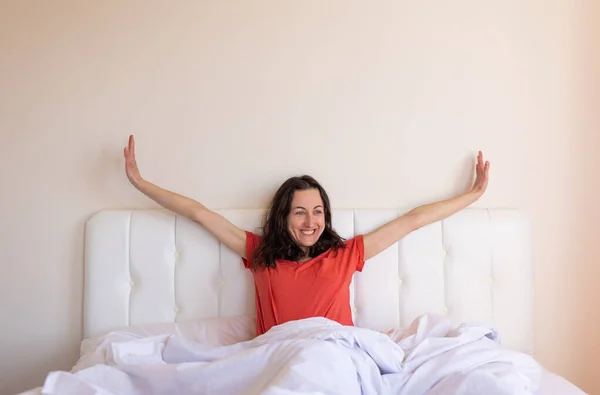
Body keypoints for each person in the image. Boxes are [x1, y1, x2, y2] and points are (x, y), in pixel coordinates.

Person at [123, 135, 490, 336]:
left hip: (335, 352)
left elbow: (413, 221)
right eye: (299, 212)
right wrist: (141, 183)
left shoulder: (345, 255)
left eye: (317, 212)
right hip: (278, 354)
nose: (310, 222)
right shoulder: (260, 253)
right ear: (284, 216)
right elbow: (199, 214)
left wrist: (471, 196)